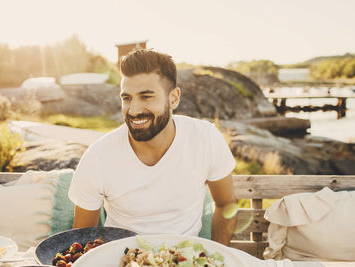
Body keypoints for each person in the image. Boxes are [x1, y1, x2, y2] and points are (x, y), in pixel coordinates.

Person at [68, 49, 237, 246]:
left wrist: (218, 258)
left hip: (185, 260)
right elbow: (81, 238)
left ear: (173, 98)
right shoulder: (98, 156)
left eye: (146, 96)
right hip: (122, 260)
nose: (134, 110)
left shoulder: (205, 138)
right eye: (127, 98)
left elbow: (226, 204)